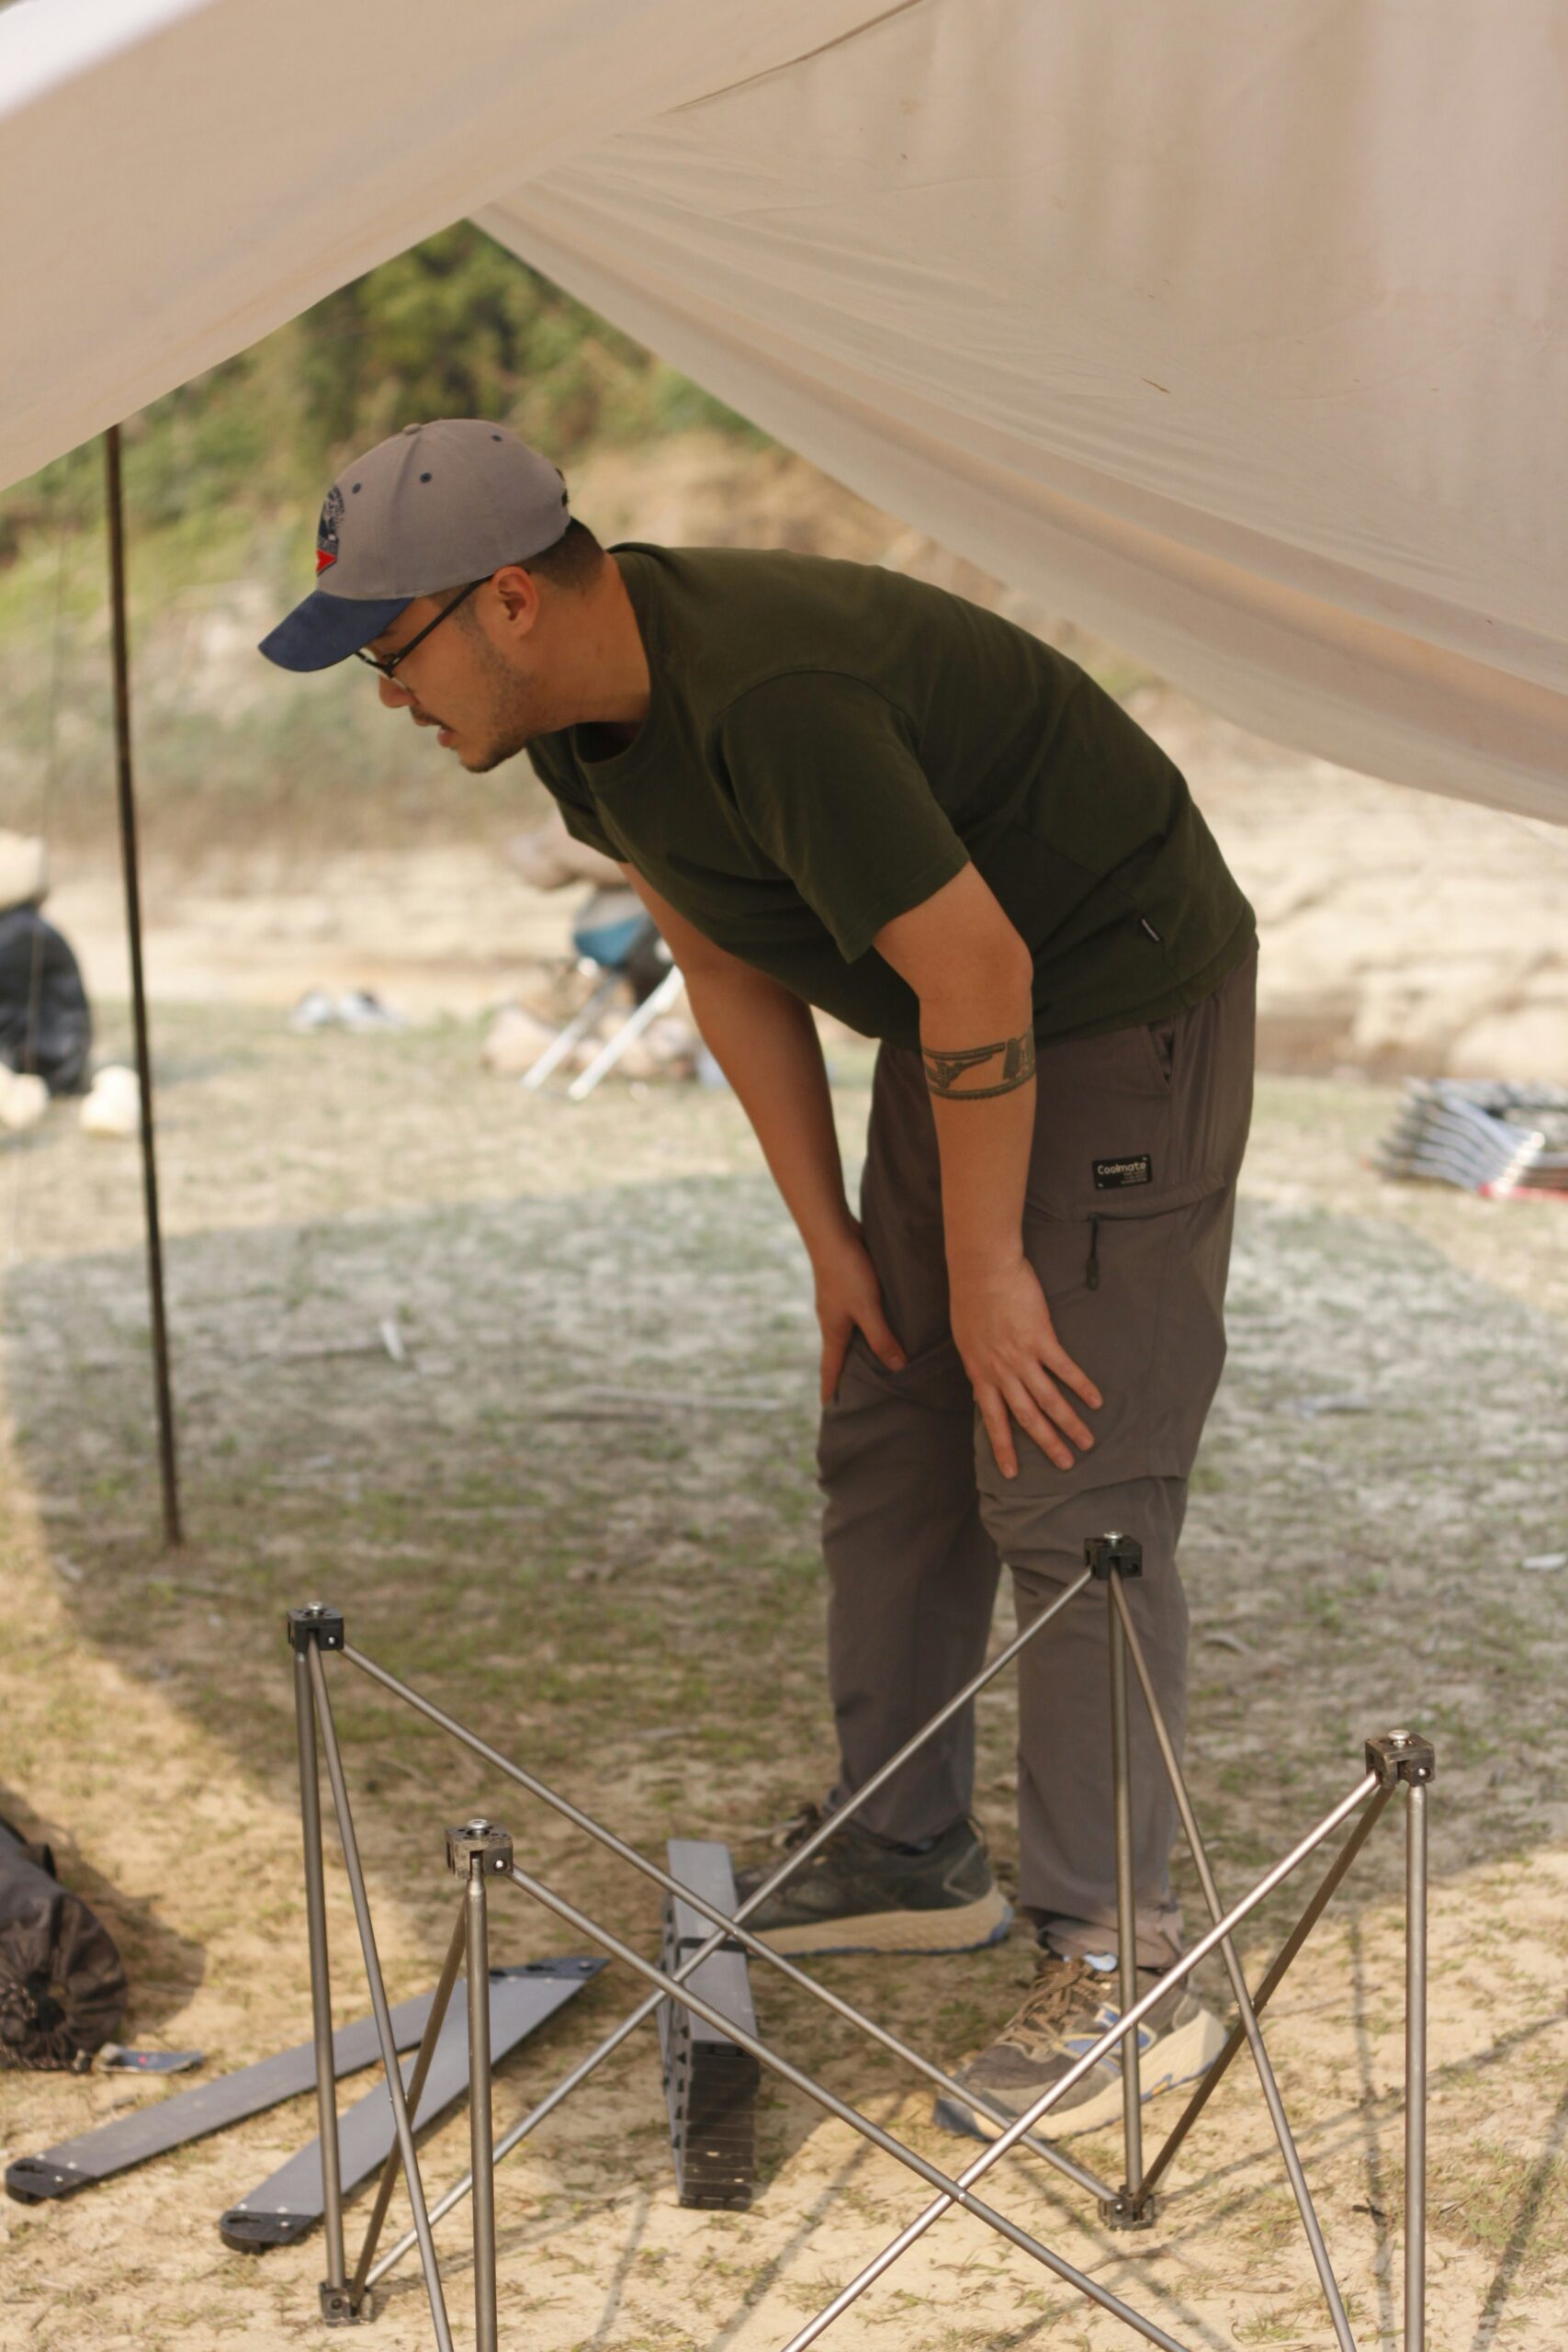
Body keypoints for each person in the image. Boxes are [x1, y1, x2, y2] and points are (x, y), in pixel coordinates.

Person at [260, 418, 1257, 2140]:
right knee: (888, 1414)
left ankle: (1125, 1959)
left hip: (1105, 993)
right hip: (956, 1023)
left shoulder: (773, 695)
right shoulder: (577, 726)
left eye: (390, 652)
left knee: (1060, 1463)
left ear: (506, 602)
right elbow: (724, 961)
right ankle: (907, 1843)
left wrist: (999, 1264)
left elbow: (987, 967)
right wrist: (838, 1247)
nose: (385, 697)